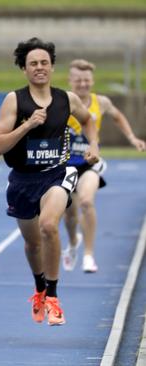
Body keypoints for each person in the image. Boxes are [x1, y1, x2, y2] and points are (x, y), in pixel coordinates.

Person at [0, 37, 99, 326]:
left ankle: (52, 296)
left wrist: (94, 145)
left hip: (57, 173)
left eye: (44, 63)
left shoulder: (67, 99)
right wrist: (27, 125)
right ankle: (39, 288)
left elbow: (88, 120)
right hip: (22, 181)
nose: (39, 68)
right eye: (33, 64)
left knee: (49, 226)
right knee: (33, 244)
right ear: (24, 70)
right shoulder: (15, 100)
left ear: (52, 67)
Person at [61, 59, 146, 273]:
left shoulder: (102, 102)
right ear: (70, 81)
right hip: (65, 166)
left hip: (90, 163)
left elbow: (118, 117)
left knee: (87, 203)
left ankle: (89, 255)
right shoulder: (62, 102)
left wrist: (132, 137)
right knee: (70, 215)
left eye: (86, 80)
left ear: (92, 80)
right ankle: (72, 243)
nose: (82, 84)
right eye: (78, 80)